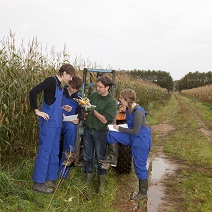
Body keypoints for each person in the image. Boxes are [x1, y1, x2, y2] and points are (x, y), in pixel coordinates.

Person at [29, 63, 76, 194]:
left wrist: (63, 108)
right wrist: (37, 111)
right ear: (64, 73)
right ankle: (38, 183)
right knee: (45, 152)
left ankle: (50, 179)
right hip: (48, 124)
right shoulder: (51, 81)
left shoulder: (59, 85)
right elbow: (33, 92)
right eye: (70, 76)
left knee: (54, 151)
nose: (71, 79)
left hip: (57, 124)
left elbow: (52, 101)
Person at [99, 88, 152, 200]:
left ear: (127, 99)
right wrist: (117, 128)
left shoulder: (138, 112)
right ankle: (113, 158)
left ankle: (143, 192)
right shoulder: (128, 109)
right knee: (111, 134)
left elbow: (135, 131)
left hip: (141, 139)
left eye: (121, 99)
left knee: (139, 165)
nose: (119, 101)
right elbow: (130, 128)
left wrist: (119, 128)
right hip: (132, 136)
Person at [83, 75, 117, 193]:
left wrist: (93, 110)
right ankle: (89, 180)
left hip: (100, 133)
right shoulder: (93, 96)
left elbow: (104, 120)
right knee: (87, 156)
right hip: (88, 130)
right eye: (97, 86)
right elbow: (87, 109)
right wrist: (85, 108)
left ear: (107, 88)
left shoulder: (112, 102)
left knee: (101, 158)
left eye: (100, 87)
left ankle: (101, 184)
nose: (97, 88)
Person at [59, 76, 83, 179]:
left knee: (71, 130)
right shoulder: (60, 92)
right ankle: (51, 170)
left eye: (76, 89)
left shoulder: (79, 99)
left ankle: (63, 171)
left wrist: (77, 119)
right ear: (69, 84)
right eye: (72, 87)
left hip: (68, 123)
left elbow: (80, 114)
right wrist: (61, 111)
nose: (74, 90)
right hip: (57, 121)